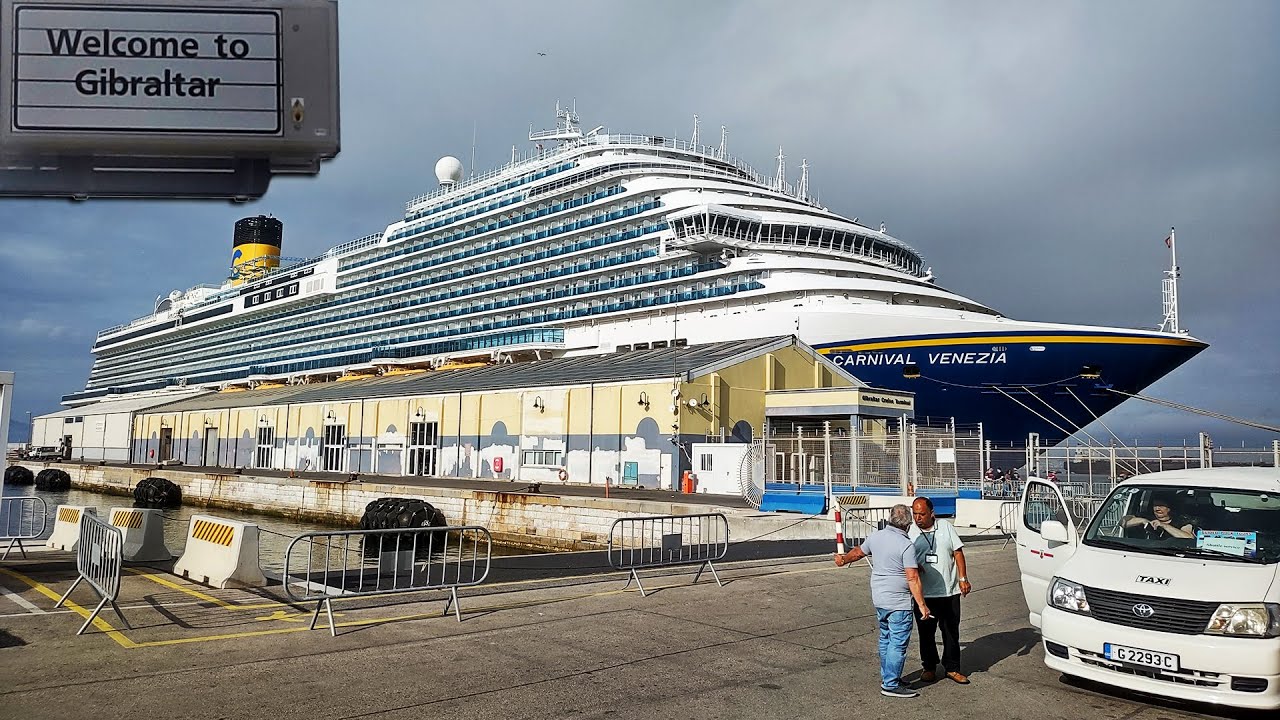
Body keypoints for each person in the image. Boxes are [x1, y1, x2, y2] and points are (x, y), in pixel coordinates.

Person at [834, 504, 932, 699]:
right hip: (898, 601)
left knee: (885, 637)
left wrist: (844, 560)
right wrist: (922, 605)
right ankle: (890, 684)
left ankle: (889, 676)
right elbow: (912, 578)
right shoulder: (906, 545)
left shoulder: (875, 536)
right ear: (908, 524)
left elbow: (858, 552)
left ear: (889, 518)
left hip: (879, 597)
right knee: (898, 642)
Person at [909, 497, 971, 684]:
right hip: (924, 594)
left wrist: (963, 578)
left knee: (951, 632)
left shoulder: (945, 527)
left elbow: (957, 553)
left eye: (922, 514)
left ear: (931, 513)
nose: (918, 518)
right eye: (915, 514)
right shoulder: (910, 531)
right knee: (926, 634)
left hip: (948, 591)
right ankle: (929, 667)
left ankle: (952, 668)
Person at [1122, 494, 1196, 539]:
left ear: (1170, 508)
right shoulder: (1147, 516)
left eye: (1161, 506)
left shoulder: (1181, 521)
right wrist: (1143, 521)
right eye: (1155, 505)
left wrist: (1164, 525)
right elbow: (1123, 522)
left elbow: (1188, 537)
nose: (1157, 509)